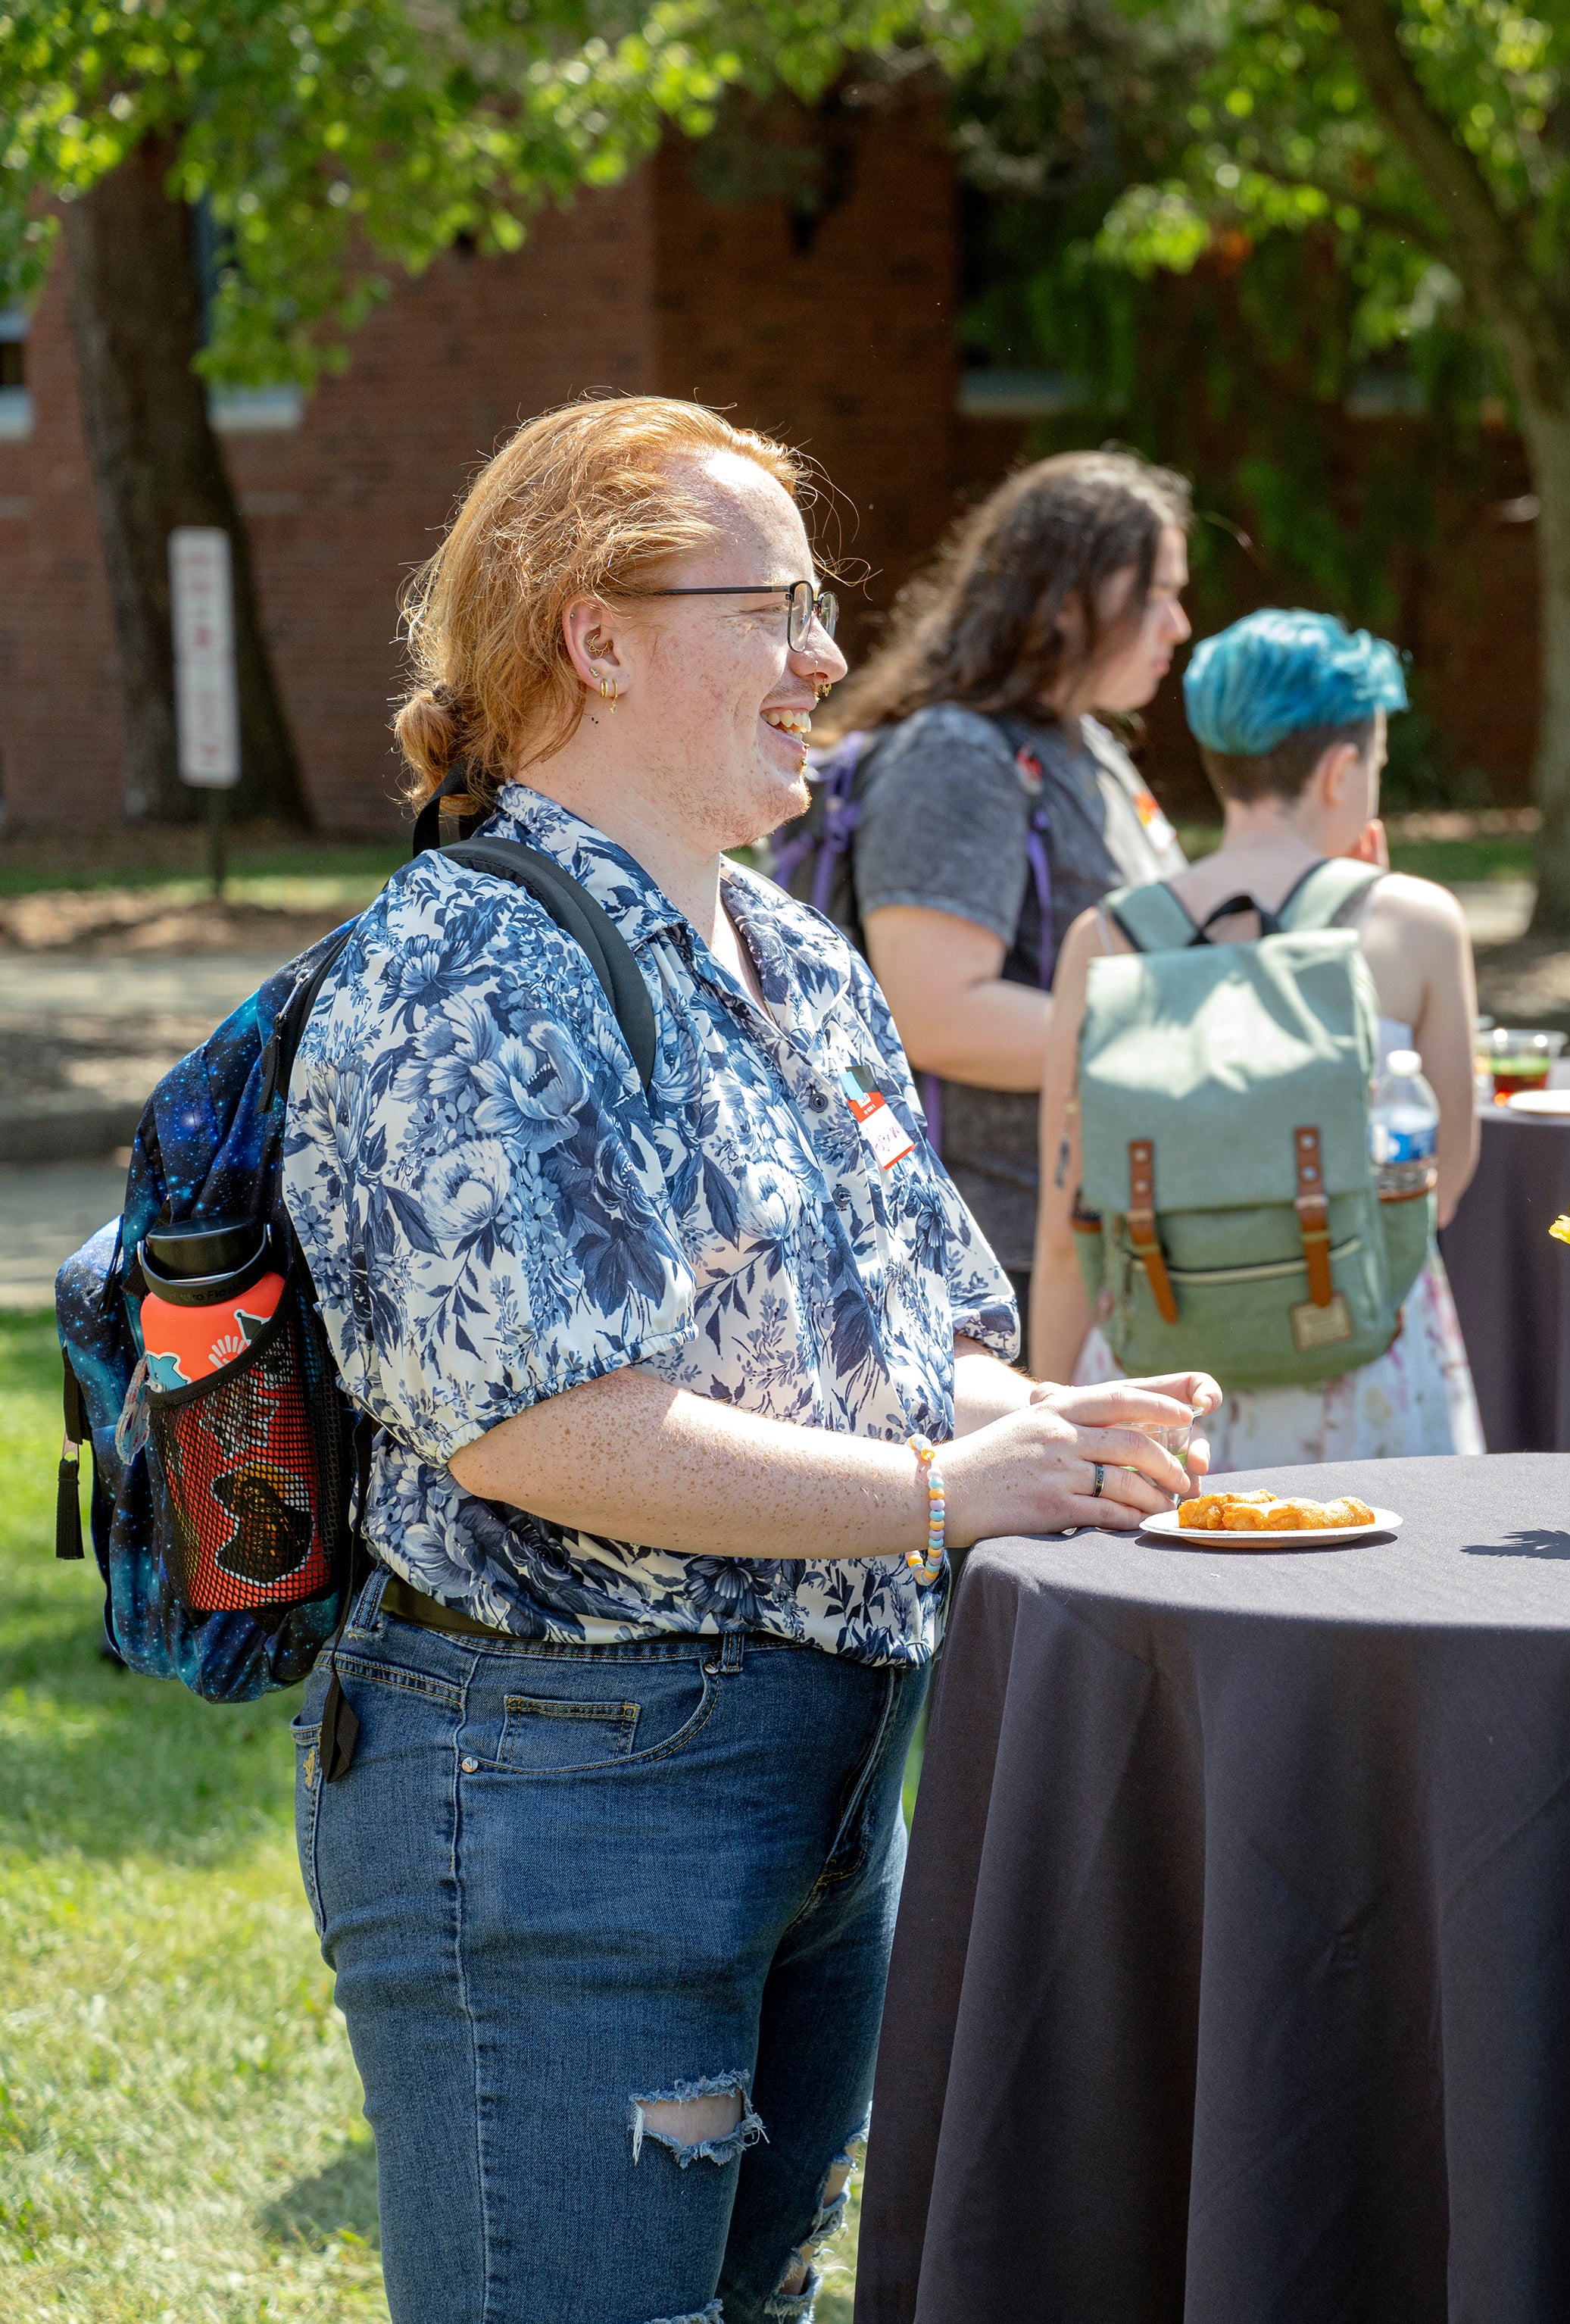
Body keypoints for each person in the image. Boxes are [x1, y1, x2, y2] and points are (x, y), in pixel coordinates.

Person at [282, 395, 1219, 2321]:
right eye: (770, 609)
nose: (820, 662)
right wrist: (954, 1493)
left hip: (807, 1767)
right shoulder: (462, 968)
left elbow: (899, 1349)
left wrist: (1060, 1425)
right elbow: (545, 1426)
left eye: (819, 608)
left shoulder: (789, 957)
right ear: (592, 634)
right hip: (557, 1783)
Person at [1028, 608, 1487, 1463]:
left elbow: (1068, 1226)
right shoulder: (1417, 923)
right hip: (1362, 1365)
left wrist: (1048, 1419)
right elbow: (1440, 1183)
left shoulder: (1105, 938)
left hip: (1164, 1393)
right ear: (1343, 769)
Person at [821, 449, 1199, 1312]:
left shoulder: (1087, 743)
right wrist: (1184, 1042)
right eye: (1154, 595)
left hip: (1094, 1222)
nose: (1178, 623)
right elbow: (935, 1013)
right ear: (1066, 600)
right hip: (1001, 1256)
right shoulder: (955, 755)